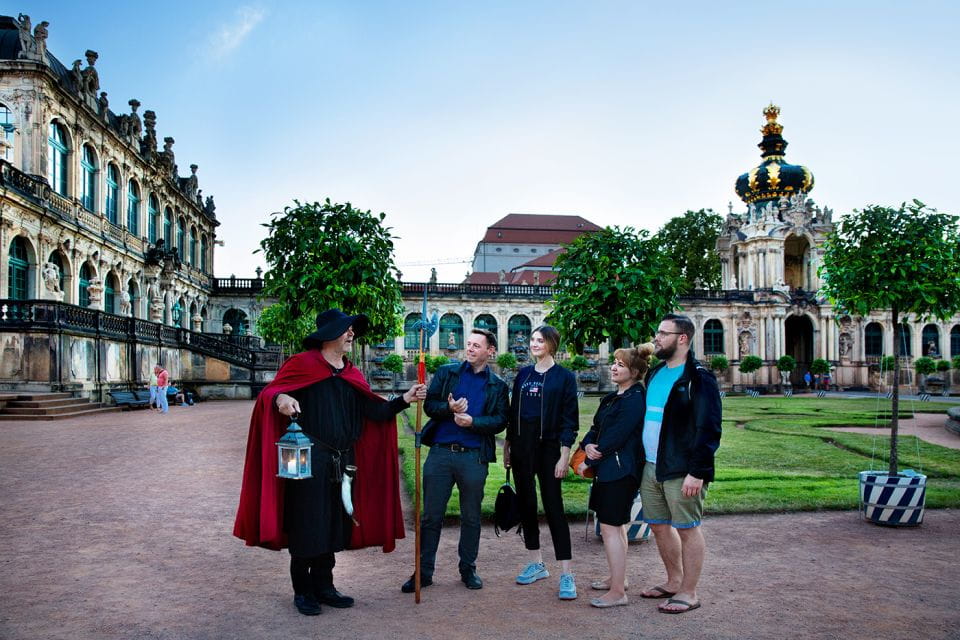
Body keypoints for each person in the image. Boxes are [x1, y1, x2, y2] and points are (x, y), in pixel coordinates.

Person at [234, 309, 426, 616]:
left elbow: (374, 412)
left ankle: (324, 586)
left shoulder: (351, 373)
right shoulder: (302, 364)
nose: (352, 334)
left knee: (335, 523)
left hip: (343, 460)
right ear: (328, 335)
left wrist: (405, 399)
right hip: (307, 460)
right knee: (307, 523)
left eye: (352, 330)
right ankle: (303, 591)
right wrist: (281, 399)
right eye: (346, 329)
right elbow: (271, 393)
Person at [401, 328, 509, 593]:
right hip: (440, 455)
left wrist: (473, 422)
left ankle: (468, 569)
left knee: (471, 517)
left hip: (473, 458)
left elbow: (500, 420)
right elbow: (429, 406)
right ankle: (423, 572)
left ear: (490, 351)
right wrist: (448, 408)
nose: (469, 348)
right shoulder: (447, 373)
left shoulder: (498, 385)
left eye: (476, 345)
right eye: (468, 344)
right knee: (430, 517)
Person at [640, 314, 722, 614]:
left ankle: (689, 592)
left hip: (682, 467)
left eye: (663, 333)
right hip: (651, 465)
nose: (657, 338)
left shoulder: (699, 378)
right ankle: (674, 581)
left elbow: (709, 428)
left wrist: (697, 471)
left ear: (682, 338)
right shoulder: (655, 373)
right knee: (658, 526)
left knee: (687, 528)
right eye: (658, 332)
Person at [504, 325, 579, 600]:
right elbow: (514, 412)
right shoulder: (523, 375)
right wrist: (508, 446)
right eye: (533, 340)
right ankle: (536, 563)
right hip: (522, 448)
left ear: (552, 344)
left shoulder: (564, 377)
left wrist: (564, 454)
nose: (534, 344)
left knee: (554, 507)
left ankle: (567, 573)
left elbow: (570, 420)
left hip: (549, 449)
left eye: (540, 340)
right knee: (527, 505)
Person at [576, 345, 652, 608]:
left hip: (621, 470)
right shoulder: (612, 398)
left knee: (610, 527)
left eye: (621, 364)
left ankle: (618, 592)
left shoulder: (635, 399)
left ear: (635, 372)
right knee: (615, 527)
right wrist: (587, 444)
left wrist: (588, 461)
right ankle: (618, 579)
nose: (614, 367)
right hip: (609, 469)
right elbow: (596, 428)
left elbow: (616, 436)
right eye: (615, 362)